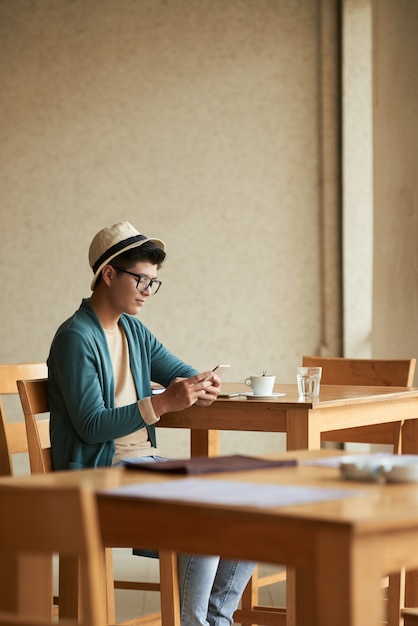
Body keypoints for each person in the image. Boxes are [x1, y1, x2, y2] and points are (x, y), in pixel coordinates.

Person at [47, 221, 255, 626]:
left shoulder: (133, 330)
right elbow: (90, 425)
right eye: (141, 279)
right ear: (108, 274)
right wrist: (161, 403)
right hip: (97, 473)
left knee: (248, 503)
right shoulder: (75, 337)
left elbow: (179, 370)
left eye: (153, 282)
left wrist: (199, 383)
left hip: (142, 463)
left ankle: (216, 620)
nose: (147, 290)